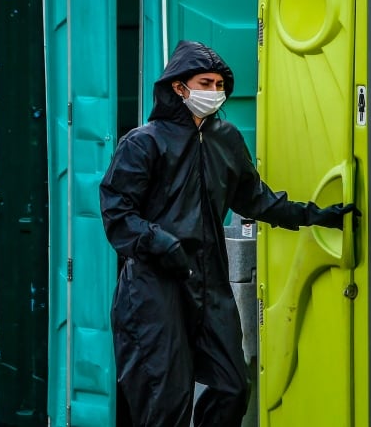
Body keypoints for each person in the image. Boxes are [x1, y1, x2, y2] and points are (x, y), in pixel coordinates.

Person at [99, 40, 356, 427]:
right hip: (154, 288)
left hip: (209, 281)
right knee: (165, 399)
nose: (214, 92)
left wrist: (315, 216)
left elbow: (255, 199)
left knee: (232, 387)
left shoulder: (226, 139)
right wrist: (161, 243)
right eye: (206, 82)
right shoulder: (144, 143)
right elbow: (117, 214)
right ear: (178, 87)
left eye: (220, 84)